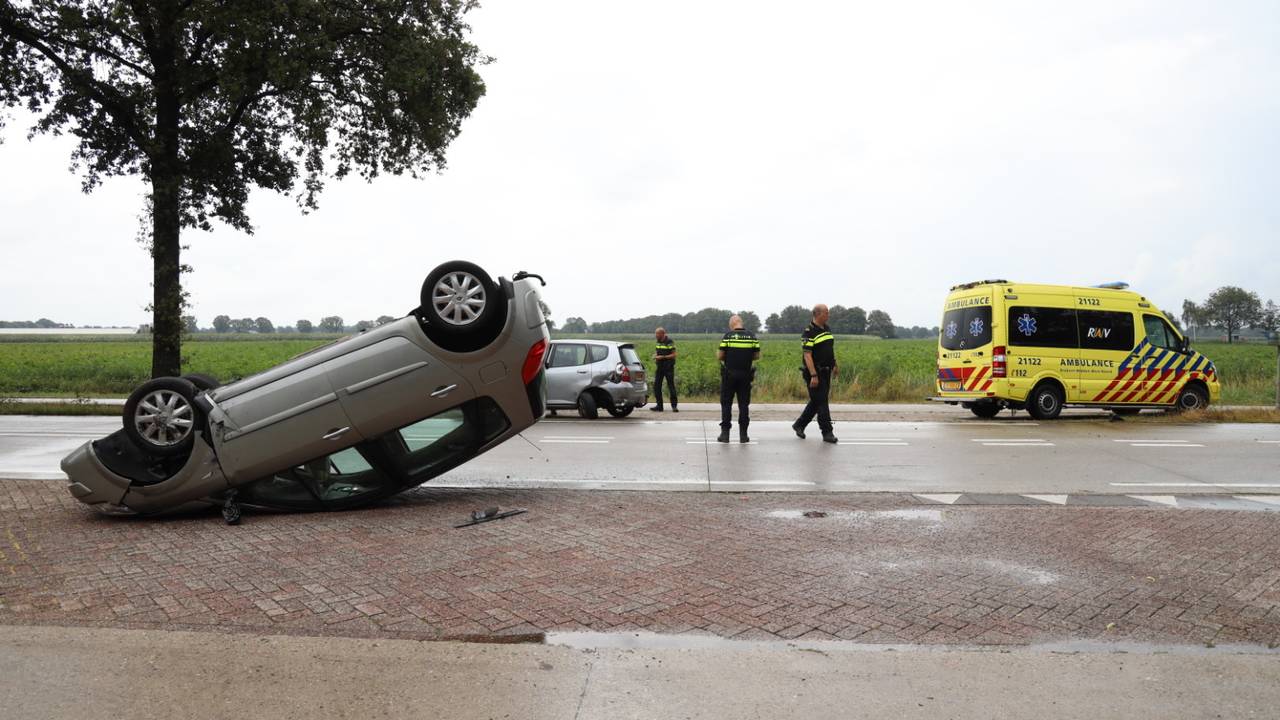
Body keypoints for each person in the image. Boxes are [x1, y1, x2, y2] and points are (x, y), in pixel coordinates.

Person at [793, 304, 839, 443]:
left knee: (816, 401)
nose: (828, 315)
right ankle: (827, 432)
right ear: (818, 314)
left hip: (826, 371)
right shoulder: (808, 332)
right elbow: (807, 355)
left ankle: (799, 424)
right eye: (826, 313)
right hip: (814, 372)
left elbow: (829, 349)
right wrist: (813, 375)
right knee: (822, 403)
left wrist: (835, 364)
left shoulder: (827, 328)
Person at [717, 315, 761, 443]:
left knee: (726, 404)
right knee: (743, 405)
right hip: (745, 375)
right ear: (741, 323)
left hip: (729, 375)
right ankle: (743, 435)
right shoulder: (752, 337)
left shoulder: (728, 336)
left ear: (732, 324)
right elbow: (757, 356)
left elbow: (720, 356)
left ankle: (725, 435)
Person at [650, 327, 678, 412]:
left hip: (668, 367)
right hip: (660, 367)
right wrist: (655, 355)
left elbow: (674, 354)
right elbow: (658, 352)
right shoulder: (658, 342)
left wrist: (663, 357)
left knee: (671, 386)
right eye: (655, 334)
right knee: (656, 386)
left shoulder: (669, 341)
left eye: (657, 334)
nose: (656, 335)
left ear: (662, 334)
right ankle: (659, 406)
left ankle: (674, 406)